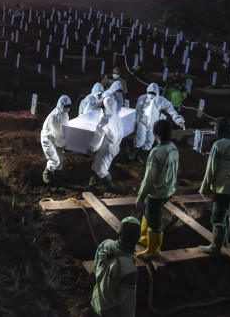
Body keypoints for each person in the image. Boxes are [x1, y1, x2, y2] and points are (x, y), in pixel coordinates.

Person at [198, 117, 230, 255]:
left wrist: (203, 189)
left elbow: (211, 170)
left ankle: (215, 248)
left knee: (218, 216)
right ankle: (223, 242)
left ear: (219, 129)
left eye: (215, 128)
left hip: (224, 188)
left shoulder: (218, 145)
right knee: (226, 212)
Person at [135, 119, 179, 260]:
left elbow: (149, 179)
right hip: (169, 189)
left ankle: (153, 250)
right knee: (149, 213)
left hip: (158, 193)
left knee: (154, 220)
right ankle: (144, 239)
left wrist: (140, 197)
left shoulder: (156, 152)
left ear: (155, 134)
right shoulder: (173, 147)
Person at [91, 216, 141, 317]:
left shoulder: (105, 244)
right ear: (138, 238)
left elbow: (96, 268)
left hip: (96, 303)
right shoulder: (130, 270)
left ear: (119, 233)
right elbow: (127, 306)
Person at [130, 82, 185, 163]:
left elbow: (171, 110)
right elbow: (137, 110)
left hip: (153, 125)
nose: (151, 95)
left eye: (153, 93)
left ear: (157, 93)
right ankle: (134, 152)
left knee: (149, 142)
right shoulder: (142, 98)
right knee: (140, 139)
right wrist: (136, 122)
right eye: (150, 93)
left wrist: (178, 120)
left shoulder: (161, 101)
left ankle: (141, 155)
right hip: (142, 122)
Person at [88, 96, 123, 190]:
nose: (102, 109)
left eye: (103, 107)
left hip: (107, 147)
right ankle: (92, 185)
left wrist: (92, 148)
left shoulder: (106, 119)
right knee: (95, 165)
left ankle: (112, 188)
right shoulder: (116, 116)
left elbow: (98, 135)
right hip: (115, 145)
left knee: (101, 170)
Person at [40, 95, 71, 185]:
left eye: (69, 107)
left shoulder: (65, 114)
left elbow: (64, 128)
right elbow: (57, 133)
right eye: (66, 107)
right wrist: (63, 144)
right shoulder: (56, 116)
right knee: (54, 160)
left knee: (60, 160)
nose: (67, 109)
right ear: (61, 105)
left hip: (57, 138)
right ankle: (46, 174)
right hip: (48, 138)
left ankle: (57, 179)